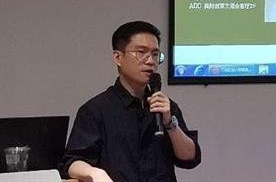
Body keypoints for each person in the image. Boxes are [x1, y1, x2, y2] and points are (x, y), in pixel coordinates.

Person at [59, 21, 201, 182]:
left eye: (155, 54)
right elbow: (71, 162)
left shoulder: (166, 106)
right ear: (118, 57)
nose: (150, 61)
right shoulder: (96, 109)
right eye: (141, 52)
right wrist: (94, 173)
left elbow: (190, 157)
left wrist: (170, 124)